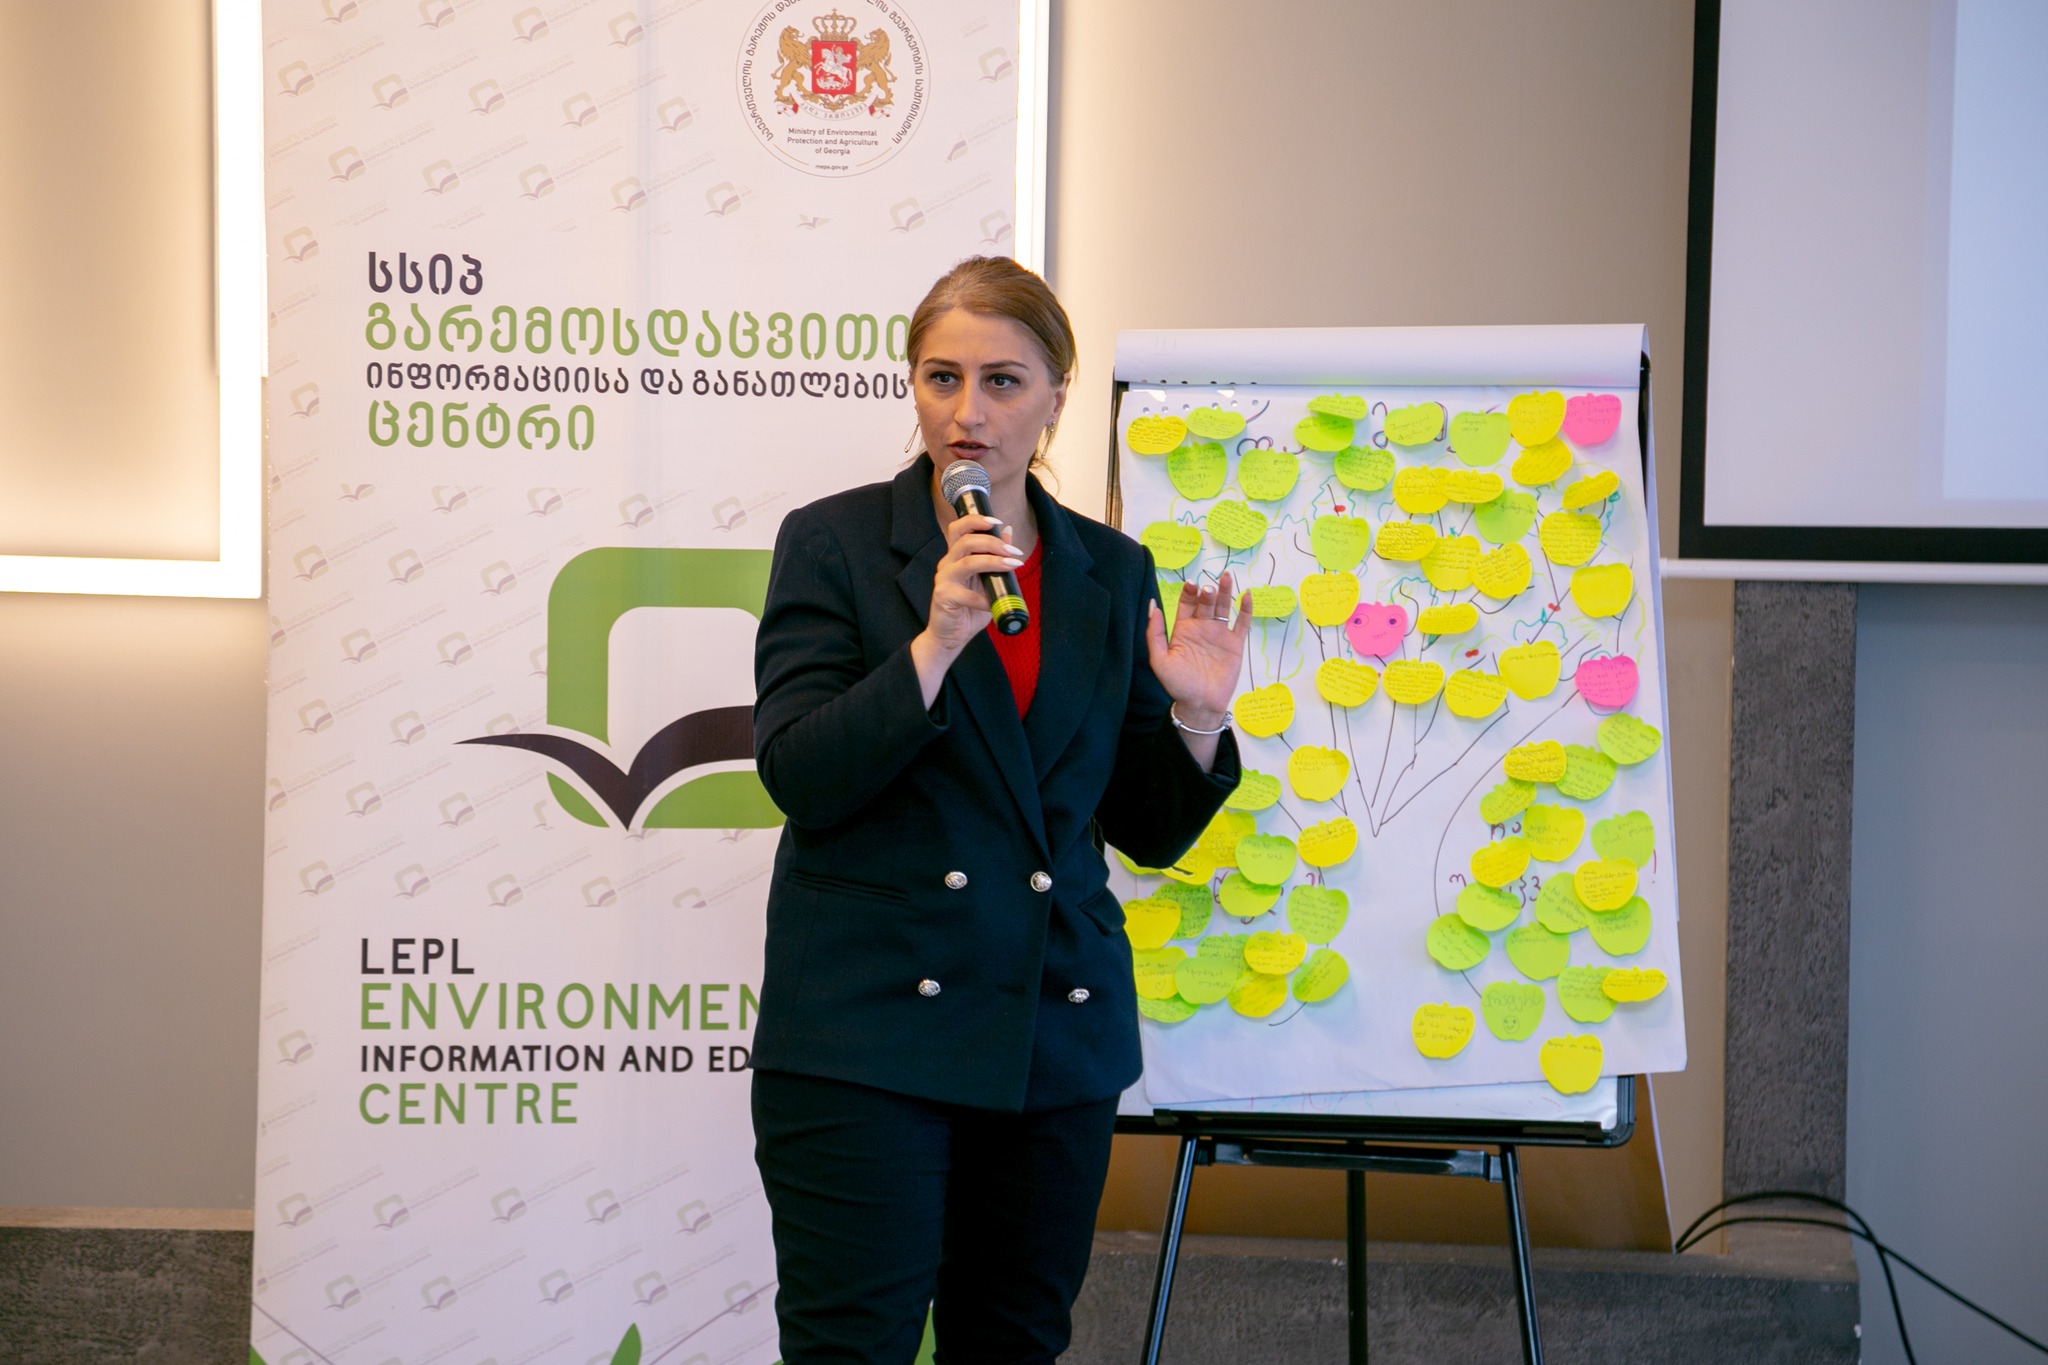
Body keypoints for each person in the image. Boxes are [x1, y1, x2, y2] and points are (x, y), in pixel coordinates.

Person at [749, 256, 1250, 1364]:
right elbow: (799, 773)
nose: (967, 412)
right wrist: (931, 647)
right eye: (942, 377)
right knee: (850, 1349)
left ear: (1056, 397)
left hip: (1050, 1035)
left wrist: (1198, 717)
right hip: (867, 1033)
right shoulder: (835, 544)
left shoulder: (1109, 570)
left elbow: (1143, 827)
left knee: (1015, 1345)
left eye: (1002, 381)